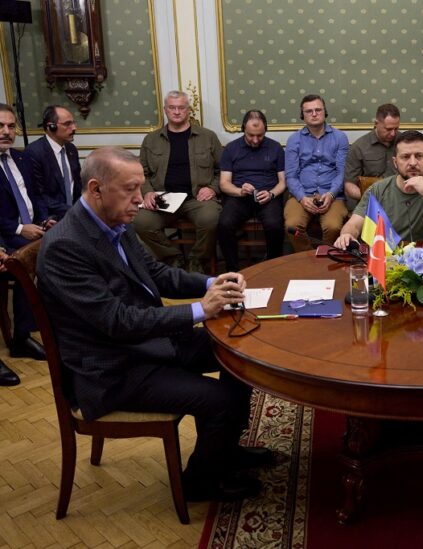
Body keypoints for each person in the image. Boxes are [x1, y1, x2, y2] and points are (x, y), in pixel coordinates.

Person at [37, 147, 270, 501]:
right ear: (96, 189)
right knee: (220, 398)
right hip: (113, 369)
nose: (140, 198)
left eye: (139, 187)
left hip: (145, 344)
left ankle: (224, 450)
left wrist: (212, 282)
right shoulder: (65, 247)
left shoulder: (115, 219)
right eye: (129, 189)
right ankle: (200, 483)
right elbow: (117, 321)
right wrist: (201, 309)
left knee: (238, 354)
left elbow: (157, 273)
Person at [135, 90, 223, 273]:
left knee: (210, 218)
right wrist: (148, 192)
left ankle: (197, 261)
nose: (177, 112)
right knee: (141, 221)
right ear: (165, 110)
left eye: (181, 108)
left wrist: (213, 189)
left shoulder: (208, 137)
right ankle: (173, 258)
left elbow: (222, 169)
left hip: (196, 198)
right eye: (172, 108)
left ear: (188, 110)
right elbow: (140, 173)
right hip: (163, 198)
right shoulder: (151, 140)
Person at [334, 130, 423, 248]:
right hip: (387, 260)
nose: (413, 163)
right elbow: (353, 225)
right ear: (395, 162)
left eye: (419, 156)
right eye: (405, 157)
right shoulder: (377, 190)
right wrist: (347, 235)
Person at [0, 103, 48, 368]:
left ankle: (55, 319)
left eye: (10, 126)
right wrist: (19, 229)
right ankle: (21, 336)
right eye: (0, 126)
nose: (6, 132)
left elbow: (36, 196)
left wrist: (44, 219)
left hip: (33, 229)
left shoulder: (21, 158)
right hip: (7, 236)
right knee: (28, 259)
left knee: (62, 245)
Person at [218, 110, 286, 271]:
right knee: (224, 224)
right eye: (250, 135)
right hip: (240, 197)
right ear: (243, 130)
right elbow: (224, 183)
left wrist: (271, 194)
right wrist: (239, 191)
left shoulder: (275, 148)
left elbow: (283, 182)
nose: (255, 140)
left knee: (275, 225)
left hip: (268, 196)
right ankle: (233, 270)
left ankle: (273, 267)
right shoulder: (231, 149)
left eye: (260, 135)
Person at [284, 94, 349, 251]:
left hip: (333, 196)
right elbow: (291, 176)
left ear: (324, 111)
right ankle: (307, 259)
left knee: (333, 227)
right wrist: (302, 198)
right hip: (302, 194)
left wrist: (331, 194)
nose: (314, 114)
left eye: (318, 110)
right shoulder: (294, 140)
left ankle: (325, 258)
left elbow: (342, 172)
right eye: (309, 111)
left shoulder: (340, 138)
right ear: (303, 115)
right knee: (291, 226)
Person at [25, 105, 82, 219]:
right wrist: (72, 211)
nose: (74, 128)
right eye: (67, 124)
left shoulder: (71, 149)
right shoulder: (34, 152)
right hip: (52, 218)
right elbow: (39, 195)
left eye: (73, 123)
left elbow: (78, 186)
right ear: (51, 126)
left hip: (75, 215)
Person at [343, 103, 400, 204]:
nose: (393, 133)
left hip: (402, 199)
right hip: (371, 201)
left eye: (396, 128)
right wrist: (372, 198)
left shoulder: (406, 142)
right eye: (388, 129)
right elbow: (349, 186)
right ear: (376, 123)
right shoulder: (359, 147)